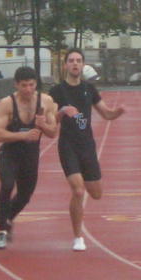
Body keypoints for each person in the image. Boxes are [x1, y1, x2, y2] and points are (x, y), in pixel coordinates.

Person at [49, 48, 125, 251]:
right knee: (77, 190)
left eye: (79, 61)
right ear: (65, 65)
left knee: (96, 193)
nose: (75, 64)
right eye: (71, 60)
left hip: (87, 146)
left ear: (83, 65)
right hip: (68, 145)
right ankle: (78, 237)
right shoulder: (56, 91)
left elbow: (106, 114)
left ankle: (78, 229)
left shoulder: (89, 89)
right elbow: (49, 122)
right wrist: (63, 112)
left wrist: (117, 112)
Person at [0, 66, 58, 250]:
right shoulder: (7, 103)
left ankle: (7, 218)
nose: (28, 90)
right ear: (16, 85)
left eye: (31, 85)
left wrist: (43, 125)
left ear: (36, 84)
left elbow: (53, 133)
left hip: (30, 156)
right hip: (9, 154)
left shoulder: (46, 101)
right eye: (24, 86)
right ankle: (2, 231)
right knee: (6, 185)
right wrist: (23, 136)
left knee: (25, 195)